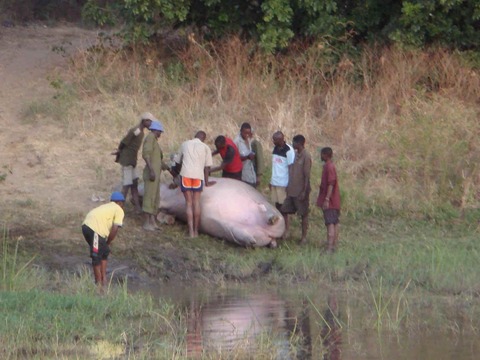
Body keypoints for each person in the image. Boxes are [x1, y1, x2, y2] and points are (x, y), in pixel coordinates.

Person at [173, 131, 216, 238]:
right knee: (196, 202)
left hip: (186, 175)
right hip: (198, 176)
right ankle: (196, 232)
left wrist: (176, 176)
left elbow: (177, 162)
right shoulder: (206, 148)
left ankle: (191, 231)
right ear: (203, 139)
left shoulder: (185, 144)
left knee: (188, 203)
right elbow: (207, 168)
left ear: (194, 136)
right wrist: (206, 182)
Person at [111, 112, 155, 213]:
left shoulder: (140, 132)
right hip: (127, 160)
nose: (150, 124)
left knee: (134, 183)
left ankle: (137, 208)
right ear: (144, 121)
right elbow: (124, 141)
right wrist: (119, 151)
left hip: (131, 160)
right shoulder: (137, 131)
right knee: (127, 185)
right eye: (149, 121)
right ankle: (118, 208)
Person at [81, 191, 125, 286]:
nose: (122, 206)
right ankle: (99, 283)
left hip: (86, 226)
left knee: (104, 251)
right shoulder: (119, 209)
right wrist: (108, 241)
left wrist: (106, 244)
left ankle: (104, 279)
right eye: (123, 204)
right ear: (120, 203)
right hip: (94, 229)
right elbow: (115, 228)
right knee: (96, 256)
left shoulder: (106, 206)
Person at [281, 135, 312, 244]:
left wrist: (304, 191)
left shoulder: (306, 156)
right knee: (284, 210)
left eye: (294, 142)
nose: (293, 144)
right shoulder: (293, 154)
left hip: (300, 191)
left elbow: (307, 176)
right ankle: (286, 231)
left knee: (303, 214)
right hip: (291, 190)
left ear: (300, 143)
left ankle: (304, 237)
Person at [142, 120, 169, 231]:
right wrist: (151, 170)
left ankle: (152, 221)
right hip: (151, 174)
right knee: (149, 197)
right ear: (155, 130)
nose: (160, 134)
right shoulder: (150, 138)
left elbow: (158, 160)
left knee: (155, 197)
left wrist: (168, 168)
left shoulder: (154, 141)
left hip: (156, 175)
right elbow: (146, 155)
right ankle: (146, 222)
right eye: (160, 132)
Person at [270, 131, 295, 237]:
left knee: (284, 209)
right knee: (277, 207)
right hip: (275, 182)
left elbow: (291, 168)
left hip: (283, 183)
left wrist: (290, 184)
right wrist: (271, 181)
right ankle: (278, 229)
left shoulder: (288, 150)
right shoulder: (275, 148)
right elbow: (275, 166)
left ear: (281, 139)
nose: (273, 142)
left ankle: (285, 231)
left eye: (275, 140)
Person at [316, 147, 341, 252]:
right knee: (334, 222)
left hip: (330, 201)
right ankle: (333, 245)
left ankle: (330, 247)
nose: (320, 156)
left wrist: (326, 198)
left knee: (330, 223)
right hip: (334, 200)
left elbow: (331, 183)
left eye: (322, 154)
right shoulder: (328, 166)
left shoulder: (329, 167)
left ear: (326, 155)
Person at [233, 122, 257, 187]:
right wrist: (247, 157)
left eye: (248, 133)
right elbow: (234, 158)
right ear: (241, 131)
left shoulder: (248, 139)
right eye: (245, 133)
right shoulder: (236, 141)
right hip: (243, 174)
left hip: (251, 173)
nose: (247, 135)